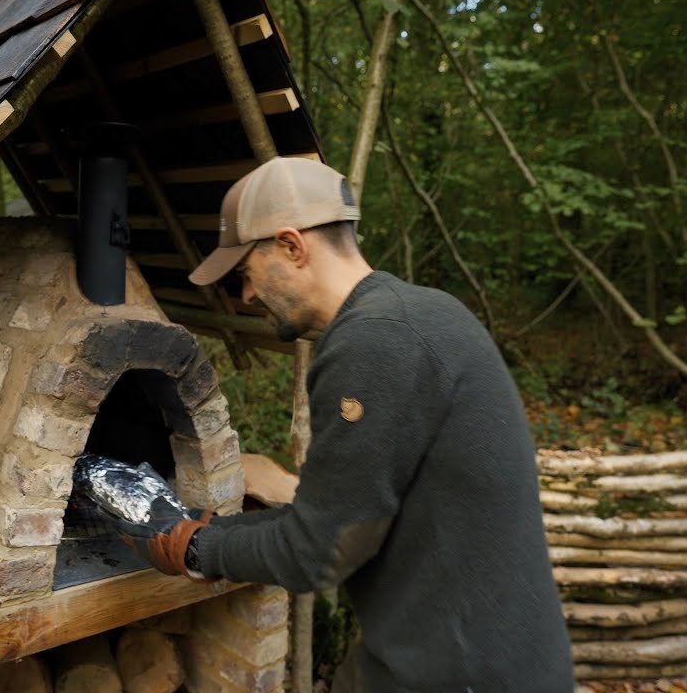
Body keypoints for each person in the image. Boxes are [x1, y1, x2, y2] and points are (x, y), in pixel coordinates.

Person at [117, 157, 574, 692]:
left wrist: (191, 549)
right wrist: (213, 527)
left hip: (465, 673)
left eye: (245, 273)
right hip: (471, 651)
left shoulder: (375, 343)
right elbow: (338, 518)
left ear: (292, 246)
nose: (245, 296)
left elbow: (317, 554)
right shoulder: (421, 312)